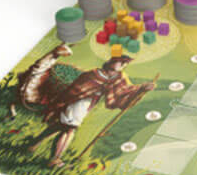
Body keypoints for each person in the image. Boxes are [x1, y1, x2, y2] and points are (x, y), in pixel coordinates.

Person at [28, 55, 156, 168]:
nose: (123, 64)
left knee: (61, 126)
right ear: (111, 61)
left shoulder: (118, 77)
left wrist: (141, 89)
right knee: (69, 129)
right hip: (76, 102)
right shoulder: (93, 74)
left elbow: (124, 90)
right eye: (120, 61)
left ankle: (33, 144)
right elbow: (76, 89)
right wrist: (65, 101)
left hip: (87, 105)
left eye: (125, 63)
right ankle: (54, 160)